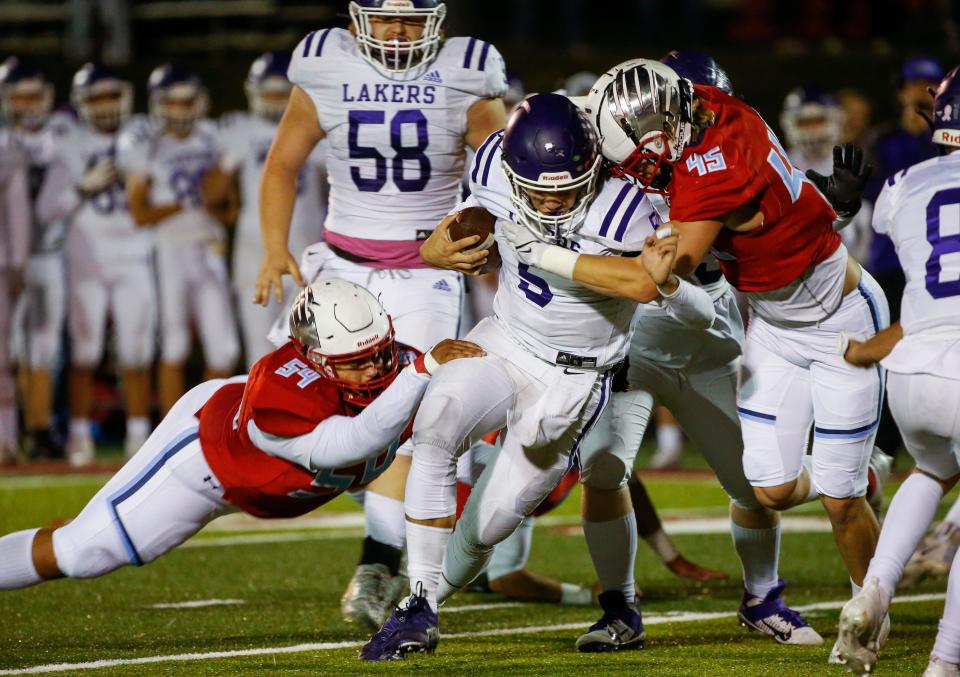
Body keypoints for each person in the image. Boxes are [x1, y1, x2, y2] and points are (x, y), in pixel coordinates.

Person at [501, 59, 888, 664]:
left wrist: (538, 251)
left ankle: (791, 591)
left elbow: (655, 275)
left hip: (719, 321)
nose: (619, 163)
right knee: (619, 470)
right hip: (683, 330)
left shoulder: (705, 169)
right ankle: (619, 608)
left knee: (768, 488)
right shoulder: (698, 106)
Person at [360, 93, 716, 661]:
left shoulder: (628, 205)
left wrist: (544, 252)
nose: (551, 201)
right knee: (436, 427)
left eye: (566, 188)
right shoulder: (494, 160)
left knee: (487, 528)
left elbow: (642, 284)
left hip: (573, 379)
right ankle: (420, 606)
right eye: (538, 189)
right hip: (504, 338)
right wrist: (438, 246)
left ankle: (432, 595)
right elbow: (470, 218)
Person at [254, 0, 508, 632]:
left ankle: (378, 561)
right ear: (356, 16)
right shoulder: (324, 62)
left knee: (407, 412)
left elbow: (501, 175)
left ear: (439, 18)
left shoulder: (469, 69)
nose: (398, 31)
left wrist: (490, 240)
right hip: (341, 264)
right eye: (385, 17)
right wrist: (273, 246)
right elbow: (283, 163)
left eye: (413, 18)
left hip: (426, 270)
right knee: (284, 396)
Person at [0, 278, 483, 592]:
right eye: (358, 362)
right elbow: (351, 444)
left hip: (268, 484)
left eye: (380, 351)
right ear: (315, 358)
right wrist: (421, 373)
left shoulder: (397, 362)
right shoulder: (283, 390)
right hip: (204, 463)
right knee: (83, 552)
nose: (378, 367)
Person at [835, 64, 960, 677]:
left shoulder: (905, 181)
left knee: (933, 469)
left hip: (913, 374)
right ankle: (945, 661)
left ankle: (874, 590)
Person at [37, 63, 155, 465]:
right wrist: (79, 188)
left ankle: (139, 436)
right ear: (81, 103)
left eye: (111, 96)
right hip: (85, 259)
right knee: (84, 354)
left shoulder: (143, 132)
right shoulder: (68, 142)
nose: (105, 107)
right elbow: (46, 209)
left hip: (136, 255)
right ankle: (78, 435)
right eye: (96, 98)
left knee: (136, 353)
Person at [118, 63, 240, 414]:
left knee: (224, 350)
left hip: (209, 248)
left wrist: (207, 197)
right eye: (173, 102)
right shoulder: (146, 144)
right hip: (169, 250)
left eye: (187, 102)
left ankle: (207, 425)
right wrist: (186, 202)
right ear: (158, 104)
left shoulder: (213, 137)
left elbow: (229, 209)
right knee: (174, 345)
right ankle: (173, 431)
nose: (181, 110)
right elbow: (139, 213)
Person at [204, 52, 326, 369]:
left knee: (314, 351)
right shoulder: (239, 131)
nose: (274, 102)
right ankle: (257, 418)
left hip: (307, 257)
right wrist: (228, 161)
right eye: (269, 94)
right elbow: (211, 194)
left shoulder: (316, 126)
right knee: (258, 353)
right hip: (255, 257)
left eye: (281, 94)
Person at [0, 57, 74, 460]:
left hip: (46, 255)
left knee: (43, 349)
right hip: (7, 259)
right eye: (20, 95)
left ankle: (40, 430)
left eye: (34, 94)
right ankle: (12, 431)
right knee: (8, 350)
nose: (29, 104)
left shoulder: (62, 137)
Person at [781, 86, 872, 280]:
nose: (813, 129)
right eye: (805, 122)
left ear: (836, 119)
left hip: (852, 263)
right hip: (793, 264)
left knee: (863, 214)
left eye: (818, 120)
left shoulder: (856, 160)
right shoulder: (779, 164)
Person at [0, 128, 30, 463]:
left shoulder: (8, 147)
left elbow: (17, 209)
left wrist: (18, 262)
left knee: (2, 360)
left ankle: (5, 438)